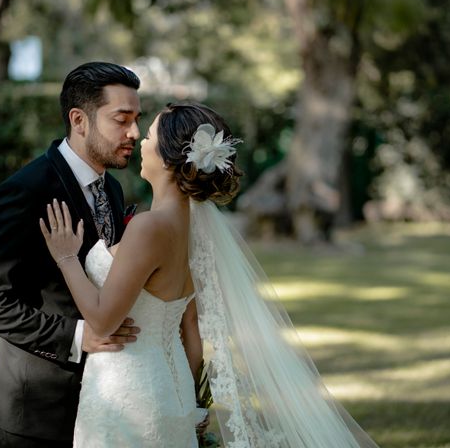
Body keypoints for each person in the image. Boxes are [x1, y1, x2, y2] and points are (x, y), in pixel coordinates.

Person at [41, 101, 380, 447]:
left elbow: (101, 321)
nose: (141, 140)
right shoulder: (193, 229)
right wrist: (189, 404)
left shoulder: (149, 227)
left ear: (171, 158)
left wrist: (67, 258)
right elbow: (192, 337)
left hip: (127, 391)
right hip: (171, 393)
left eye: (151, 135)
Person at [0, 61, 143, 447]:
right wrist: (80, 335)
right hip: (35, 412)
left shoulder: (111, 189)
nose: (135, 132)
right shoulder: (25, 191)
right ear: (79, 120)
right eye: (121, 119)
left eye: (137, 119)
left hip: (102, 402)